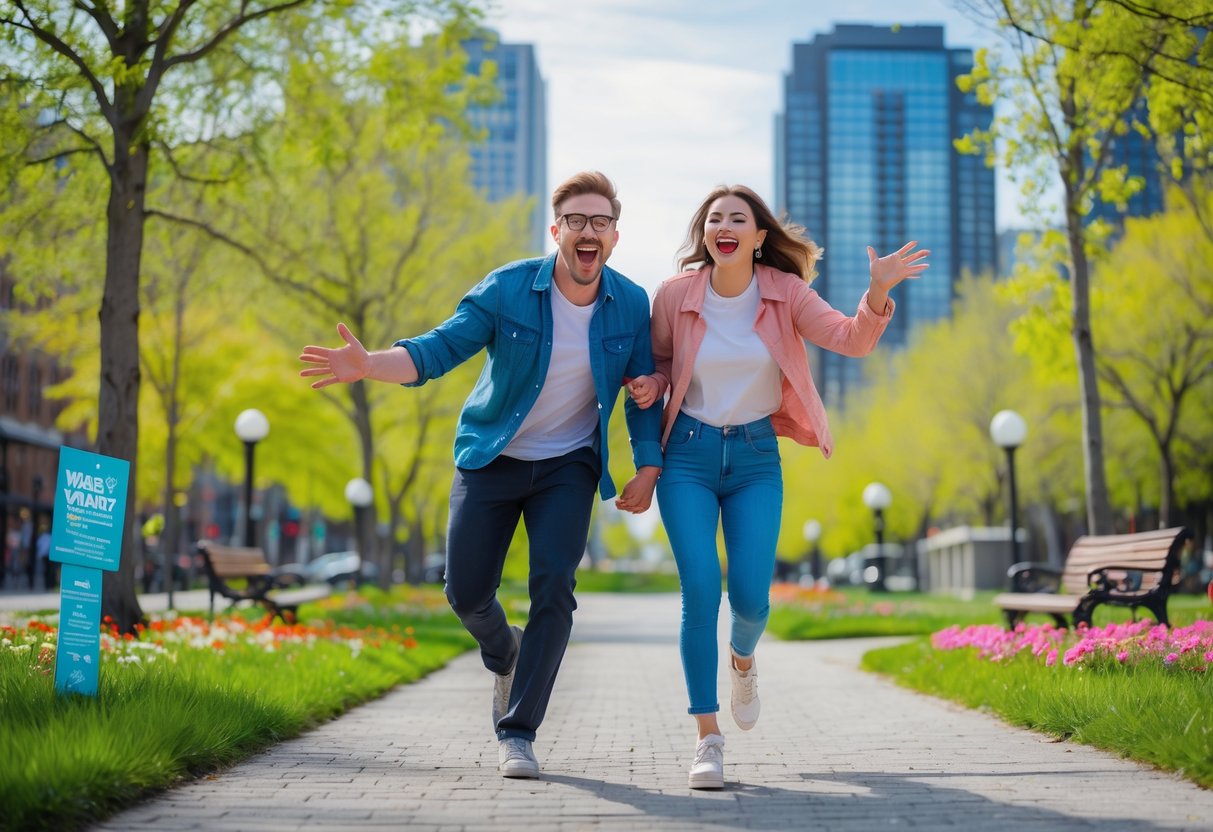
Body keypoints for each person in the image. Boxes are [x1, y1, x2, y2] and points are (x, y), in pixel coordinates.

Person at [299, 171, 662, 779]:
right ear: (557, 231)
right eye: (575, 220)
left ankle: (517, 732)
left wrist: (647, 466)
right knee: (464, 591)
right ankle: (505, 650)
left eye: (600, 221)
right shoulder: (509, 288)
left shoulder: (630, 303)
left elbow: (642, 390)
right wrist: (368, 365)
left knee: (554, 587)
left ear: (615, 236)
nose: (588, 231)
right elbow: (438, 350)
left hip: (569, 466)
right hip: (493, 455)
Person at [625, 184, 928, 789]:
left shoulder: (785, 292)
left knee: (752, 600)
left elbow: (850, 339)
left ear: (760, 237)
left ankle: (743, 659)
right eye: (715, 219)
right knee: (700, 591)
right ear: (705, 235)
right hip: (687, 452)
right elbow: (660, 362)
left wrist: (877, 291)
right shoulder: (674, 295)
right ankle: (707, 738)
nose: (725, 226)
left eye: (739, 218)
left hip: (757, 456)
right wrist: (651, 386)